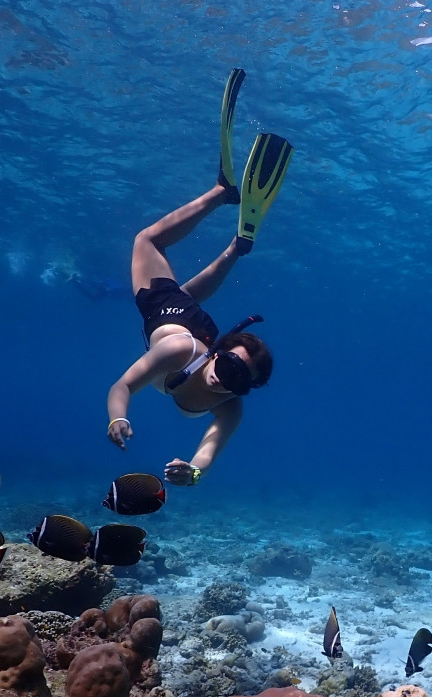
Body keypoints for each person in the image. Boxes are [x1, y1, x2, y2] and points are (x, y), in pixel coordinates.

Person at [106, 69, 292, 486]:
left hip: (193, 322)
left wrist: (193, 471)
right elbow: (122, 385)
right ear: (218, 354)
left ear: (247, 388)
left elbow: (209, 448)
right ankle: (222, 192)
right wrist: (118, 415)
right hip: (172, 324)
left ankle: (235, 249)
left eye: (236, 380)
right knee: (147, 242)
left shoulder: (231, 407)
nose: (222, 379)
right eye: (227, 366)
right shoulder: (178, 352)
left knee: (186, 294)